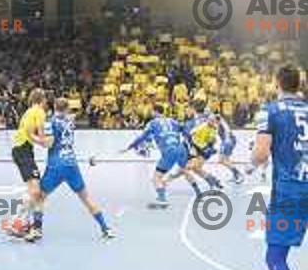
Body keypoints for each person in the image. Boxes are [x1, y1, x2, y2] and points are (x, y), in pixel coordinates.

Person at [18, 98, 115, 243]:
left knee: (39, 198)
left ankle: (36, 230)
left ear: (54, 107)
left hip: (56, 166)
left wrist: (32, 136)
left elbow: (49, 143)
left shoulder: (51, 122)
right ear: (67, 108)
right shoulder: (70, 122)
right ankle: (106, 228)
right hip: (72, 164)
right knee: (86, 198)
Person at [252, 65, 308, 270]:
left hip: (290, 193)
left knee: (275, 258)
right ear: (299, 84)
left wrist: (251, 161)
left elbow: (261, 154)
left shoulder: (271, 110)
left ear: (277, 83)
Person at [124, 103, 198, 208]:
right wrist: (192, 147)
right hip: (181, 149)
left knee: (156, 178)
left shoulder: (152, 123)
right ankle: (199, 193)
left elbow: (142, 137)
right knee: (185, 170)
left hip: (169, 151)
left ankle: (162, 199)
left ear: (155, 112)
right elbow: (186, 132)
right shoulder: (173, 121)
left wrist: (129, 147)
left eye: (152, 111)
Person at [10, 88, 49, 232]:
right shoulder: (39, 112)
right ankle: (15, 223)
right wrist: (45, 142)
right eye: (45, 99)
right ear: (42, 100)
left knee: (33, 191)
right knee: (35, 191)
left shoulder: (28, 111)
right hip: (23, 150)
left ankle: (23, 222)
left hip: (21, 150)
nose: (46, 102)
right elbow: (39, 134)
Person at [215, 114, 244, 184]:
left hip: (227, 142)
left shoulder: (222, 124)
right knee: (226, 160)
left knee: (221, 160)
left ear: (217, 120)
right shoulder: (219, 124)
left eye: (214, 120)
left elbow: (227, 131)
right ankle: (235, 175)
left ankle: (238, 174)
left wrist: (227, 141)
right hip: (227, 141)